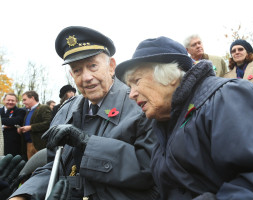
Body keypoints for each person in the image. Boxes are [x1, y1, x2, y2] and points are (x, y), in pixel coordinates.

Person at [115, 36, 253, 199]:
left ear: (169, 76)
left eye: (136, 81)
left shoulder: (229, 96)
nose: (131, 94)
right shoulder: (164, 122)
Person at [9, 26, 157, 200]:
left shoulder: (140, 104)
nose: (86, 77)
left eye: (92, 65)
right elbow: (54, 166)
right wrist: (22, 196)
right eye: (77, 70)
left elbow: (149, 168)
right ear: (71, 74)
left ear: (111, 66)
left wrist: (87, 143)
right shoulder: (65, 110)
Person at [18, 91, 52, 160]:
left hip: (39, 145)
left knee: (40, 168)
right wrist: (21, 129)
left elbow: (48, 123)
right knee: (31, 169)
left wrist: (31, 127)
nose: (23, 102)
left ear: (32, 98)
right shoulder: (28, 111)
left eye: (25, 100)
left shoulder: (44, 108)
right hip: (28, 144)